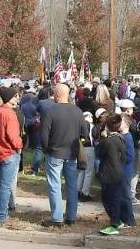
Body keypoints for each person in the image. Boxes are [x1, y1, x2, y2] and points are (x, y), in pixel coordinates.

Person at [40, 84, 87, 226]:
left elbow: (44, 135)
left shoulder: (51, 111)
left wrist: (46, 149)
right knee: (72, 186)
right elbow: (84, 133)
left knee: (55, 186)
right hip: (71, 153)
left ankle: (57, 218)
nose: (53, 96)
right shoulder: (78, 111)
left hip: (55, 153)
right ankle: (71, 217)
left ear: (57, 95)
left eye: (54, 94)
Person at [0, 87, 23, 226]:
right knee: (5, 186)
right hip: (8, 153)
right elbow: (13, 136)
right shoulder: (9, 114)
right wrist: (20, 145)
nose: (16, 98)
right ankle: (1, 216)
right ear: (9, 98)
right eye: (15, 96)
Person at [96, 114, 127, 235]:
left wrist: (102, 138)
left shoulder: (108, 141)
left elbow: (99, 152)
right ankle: (117, 220)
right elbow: (124, 156)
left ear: (107, 127)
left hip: (108, 174)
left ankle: (114, 223)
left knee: (108, 199)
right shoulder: (121, 139)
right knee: (115, 198)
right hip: (119, 171)